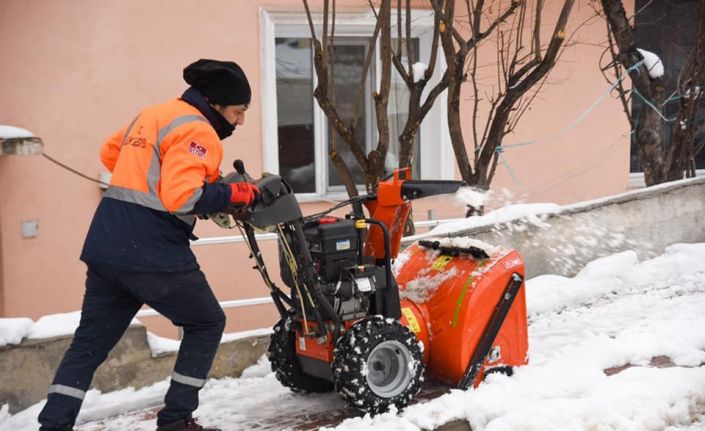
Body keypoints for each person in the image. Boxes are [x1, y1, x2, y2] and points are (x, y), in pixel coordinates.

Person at [38, 59, 259, 431]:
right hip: (152, 251)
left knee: (88, 345)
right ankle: (176, 419)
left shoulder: (154, 114)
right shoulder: (199, 130)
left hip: (107, 247)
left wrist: (167, 179)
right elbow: (183, 197)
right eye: (238, 112)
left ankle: (53, 426)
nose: (240, 122)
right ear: (217, 104)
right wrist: (231, 192)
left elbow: (111, 153)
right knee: (207, 322)